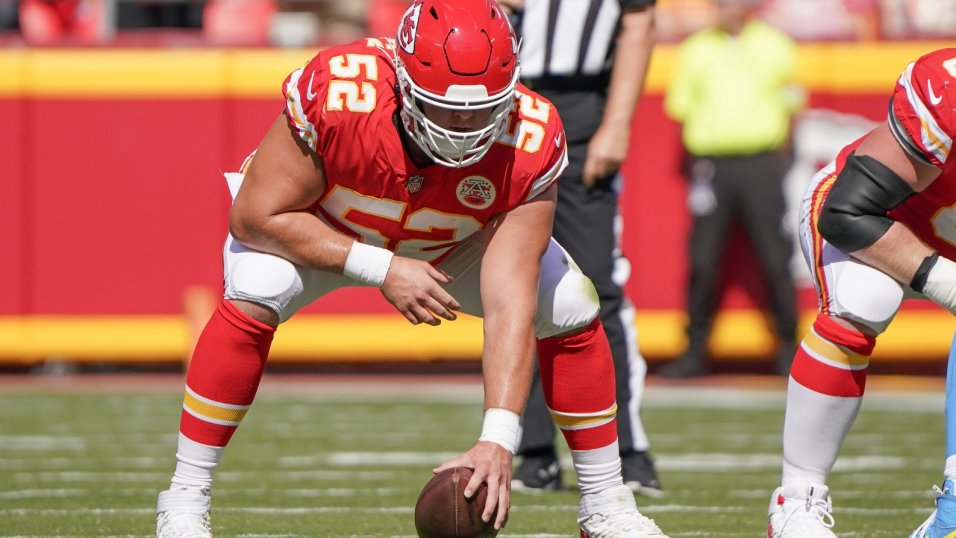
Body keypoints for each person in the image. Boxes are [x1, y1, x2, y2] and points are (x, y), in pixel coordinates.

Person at [153, 1, 669, 537]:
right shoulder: (338, 91)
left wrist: (498, 437)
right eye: (442, 108)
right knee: (261, 284)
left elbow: (511, 296)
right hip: (324, 226)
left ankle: (606, 505)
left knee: (568, 302)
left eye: (484, 108)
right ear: (402, 82)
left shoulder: (531, 133)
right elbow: (254, 218)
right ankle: (186, 497)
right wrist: (380, 267)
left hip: (449, 240)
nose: (465, 125)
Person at [765, 47, 956, 537]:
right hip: (880, 225)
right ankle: (798, 498)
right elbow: (848, 213)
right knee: (866, 297)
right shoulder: (946, 91)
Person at [494, 0, 662, 496]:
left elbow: (638, 23)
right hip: (500, 105)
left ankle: (627, 449)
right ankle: (535, 452)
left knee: (596, 287)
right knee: (512, 283)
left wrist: (618, 123)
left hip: (580, 108)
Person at [659, 0, 801, 378]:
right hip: (713, 163)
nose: (727, 8)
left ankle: (790, 348)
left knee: (775, 256)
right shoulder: (696, 49)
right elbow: (683, 108)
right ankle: (694, 351)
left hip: (761, 162)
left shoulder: (774, 44)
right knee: (703, 259)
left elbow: (791, 106)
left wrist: (782, 161)